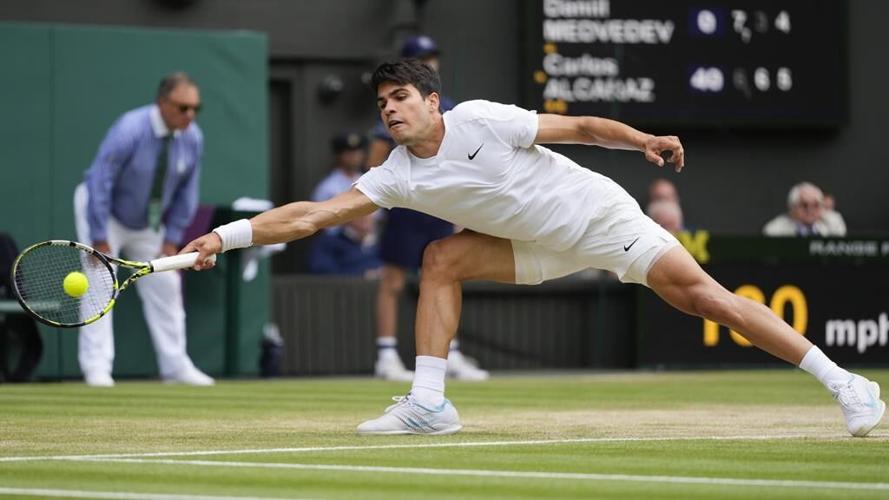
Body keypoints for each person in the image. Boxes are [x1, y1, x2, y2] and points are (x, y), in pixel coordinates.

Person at [184, 59, 884, 437]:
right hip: (534, 246)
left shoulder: (483, 120)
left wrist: (640, 141)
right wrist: (225, 234)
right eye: (381, 104)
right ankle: (429, 404)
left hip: (601, 221)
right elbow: (310, 216)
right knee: (439, 260)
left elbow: (577, 125)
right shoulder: (393, 173)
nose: (390, 109)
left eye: (401, 97)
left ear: (433, 101)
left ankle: (845, 384)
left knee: (704, 299)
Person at [74, 72, 214, 387]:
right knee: (99, 283)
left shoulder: (193, 137)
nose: (190, 115)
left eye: (195, 108)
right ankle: (96, 368)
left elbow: (187, 192)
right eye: (182, 107)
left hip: (146, 221)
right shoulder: (130, 128)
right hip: (103, 211)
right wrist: (99, 235)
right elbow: (100, 179)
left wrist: (172, 238)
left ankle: (176, 366)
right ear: (162, 103)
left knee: (166, 285)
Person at [368, 35, 489, 382]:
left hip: (441, 203)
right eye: (422, 58)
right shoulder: (395, 107)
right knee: (391, 280)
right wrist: (378, 204)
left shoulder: (447, 104)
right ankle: (386, 356)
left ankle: (450, 353)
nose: (430, 62)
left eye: (432, 57)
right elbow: (376, 160)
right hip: (405, 203)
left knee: (446, 275)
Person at [307, 131, 381, 277]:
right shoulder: (327, 187)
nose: (354, 157)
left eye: (357, 152)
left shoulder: (370, 179)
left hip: (367, 243)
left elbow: (376, 218)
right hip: (338, 243)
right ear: (339, 155)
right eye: (349, 153)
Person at [763, 182, 847, 236]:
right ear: (792, 207)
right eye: (804, 205)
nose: (810, 210)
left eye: (816, 205)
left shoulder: (833, 222)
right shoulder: (775, 230)